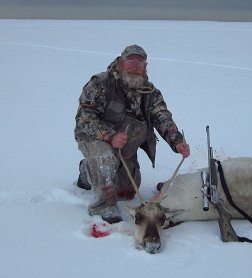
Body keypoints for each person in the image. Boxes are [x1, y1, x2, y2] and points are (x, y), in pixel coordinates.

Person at [75, 44, 190, 224]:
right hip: (94, 137)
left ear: (145, 66)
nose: (135, 66)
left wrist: (177, 141)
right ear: (121, 62)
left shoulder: (151, 93)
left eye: (140, 62)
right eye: (130, 61)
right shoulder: (100, 83)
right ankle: (103, 206)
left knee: (127, 192)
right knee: (105, 162)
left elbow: (162, 117)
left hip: (125, 145)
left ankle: (87, 172)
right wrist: (110, 135)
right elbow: (85, 117)